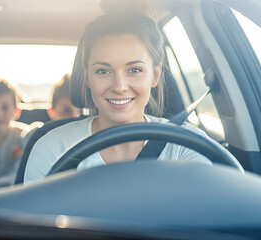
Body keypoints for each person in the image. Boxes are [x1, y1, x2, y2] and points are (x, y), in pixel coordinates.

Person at [24, 12, 213, 184]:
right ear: (87, 76)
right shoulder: (53, 148)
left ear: (155, 75)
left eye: (134, 70)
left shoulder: (186, 145)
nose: (119, 87)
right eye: (103, 71)